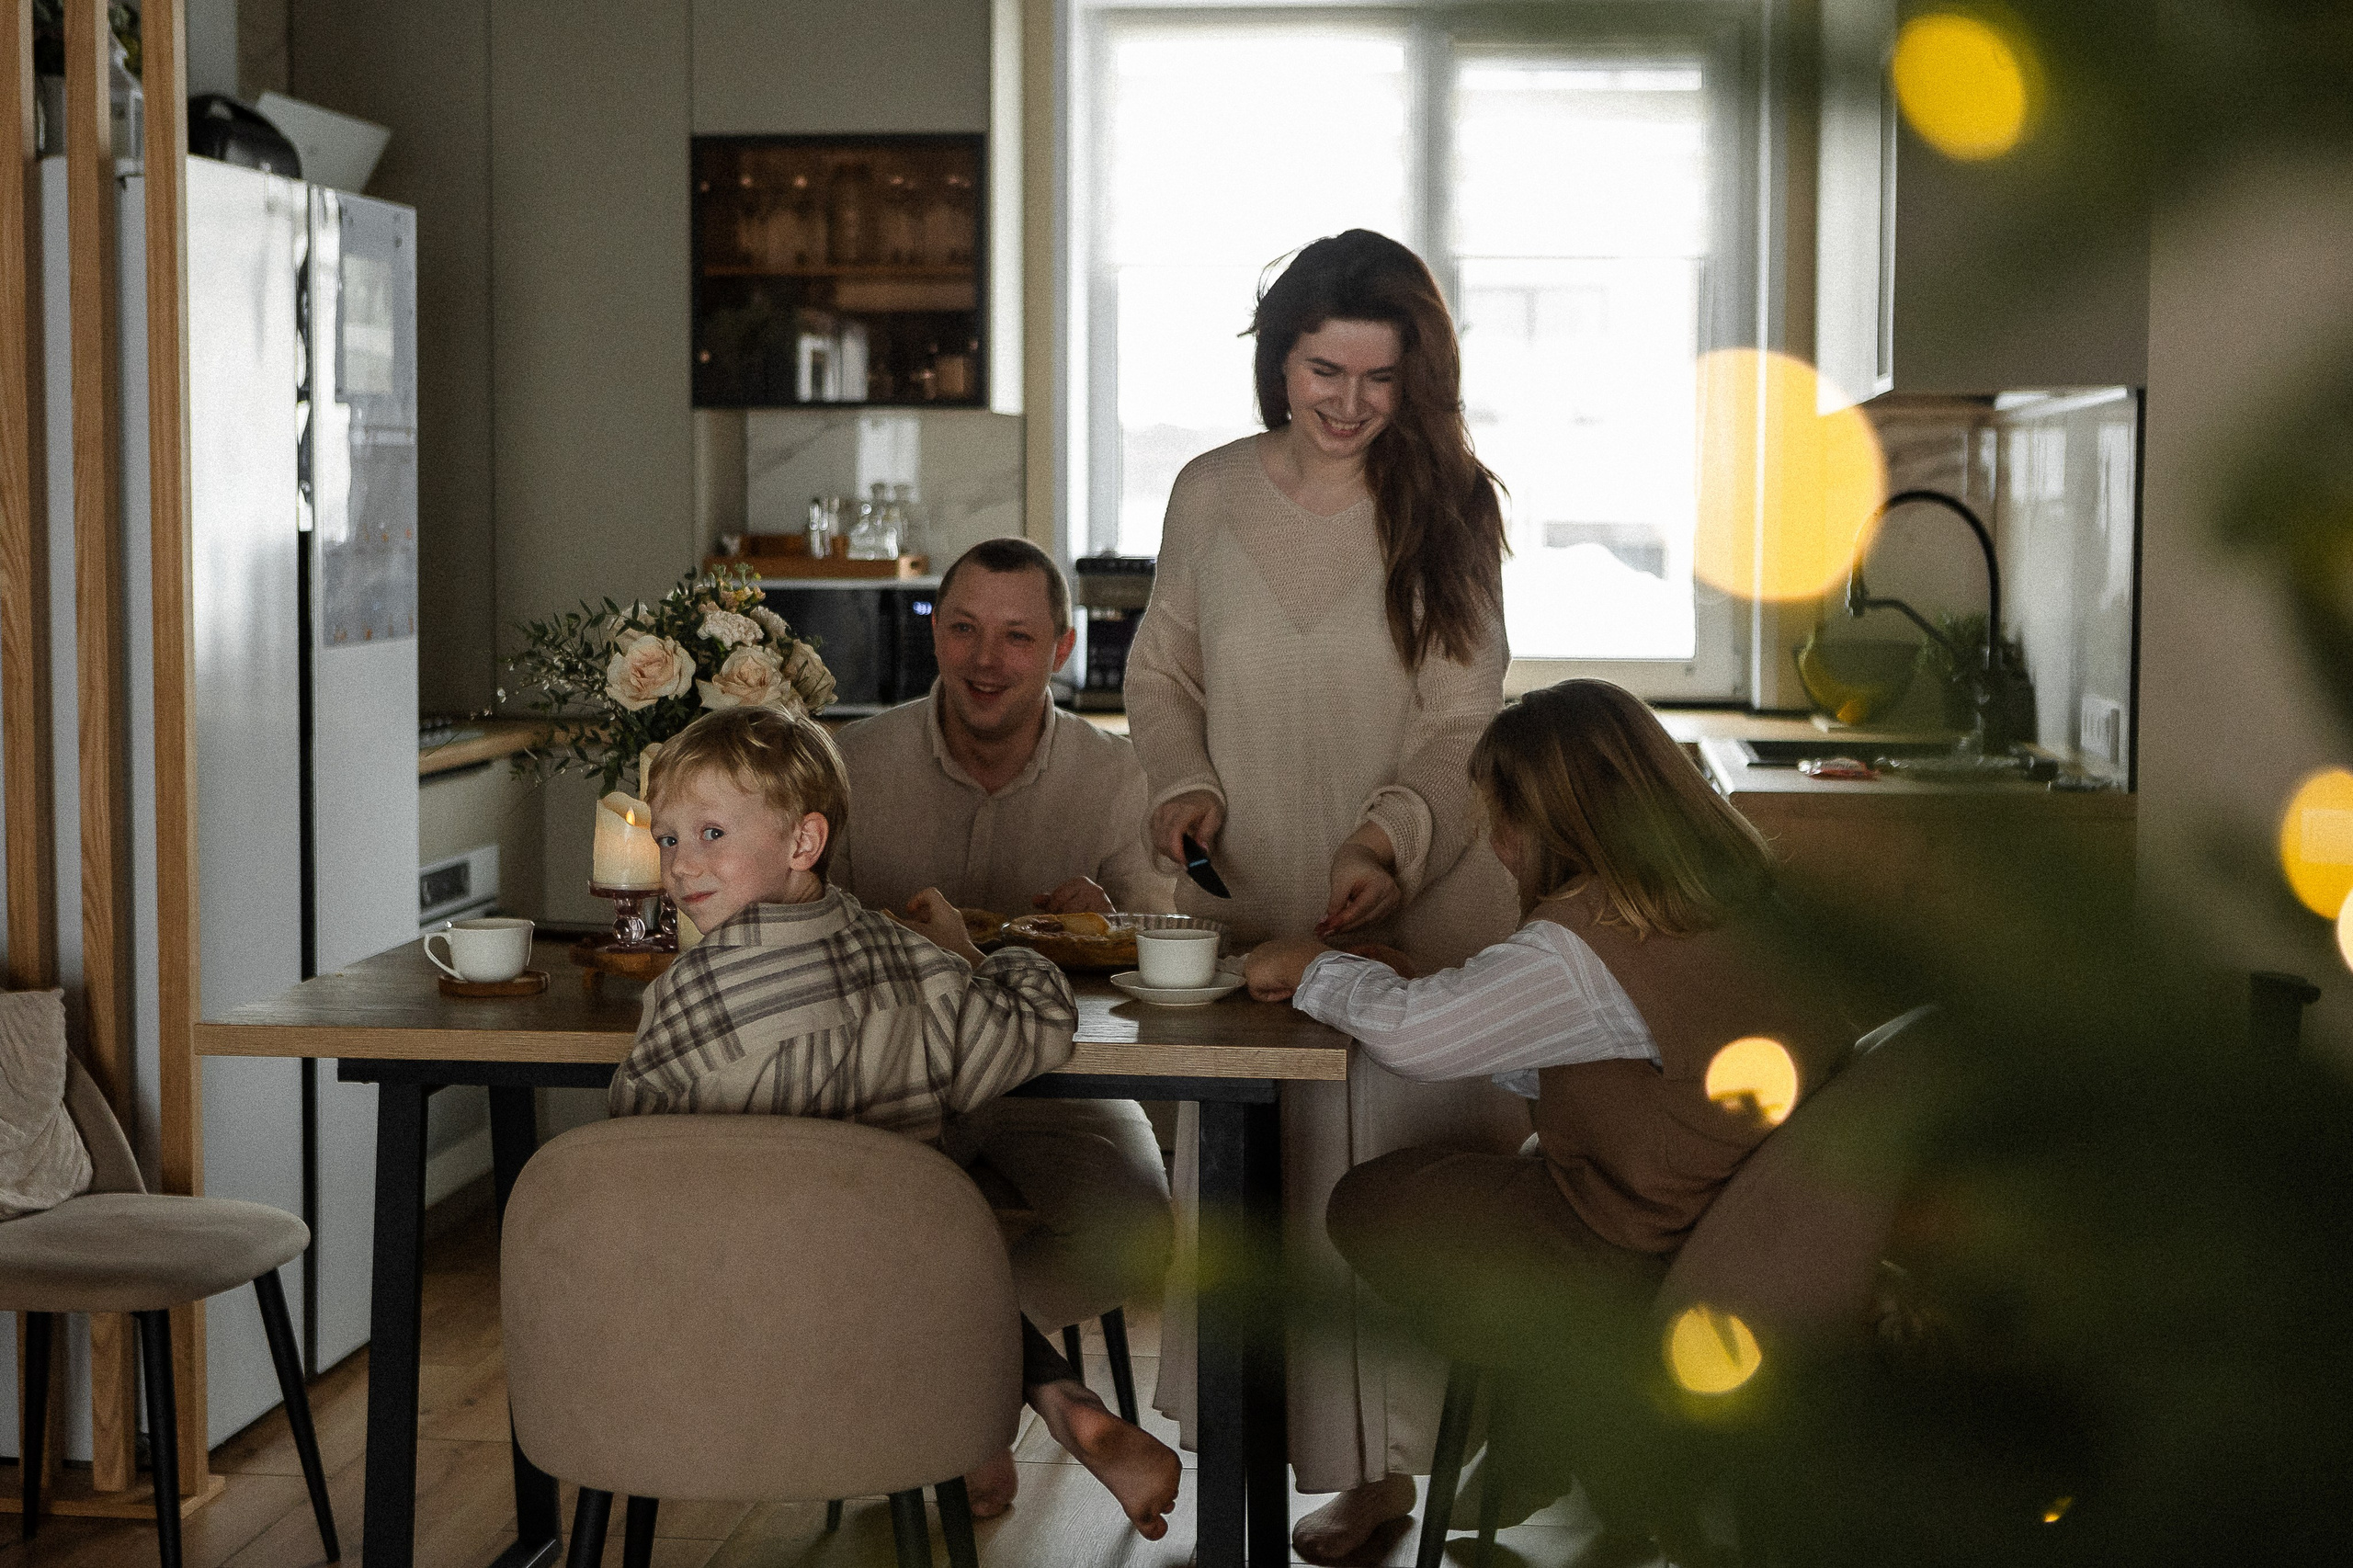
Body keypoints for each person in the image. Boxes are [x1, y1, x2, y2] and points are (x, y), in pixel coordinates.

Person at [1121, 228, 1529, 1561]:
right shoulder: (1209, 492)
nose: (1348, 401)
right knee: (1260, 1186)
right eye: (1321, 369)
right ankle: (1256, 1453)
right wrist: (1180, 781)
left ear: (1420, 381)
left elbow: (1465, 721)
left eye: (1378, 378)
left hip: (1411, 902)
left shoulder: (1453, 506)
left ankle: (1392, 1478)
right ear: (1276, 359)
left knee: (1379, 1187)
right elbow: (1161, 674)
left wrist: (1389, 840)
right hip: (1246, 909)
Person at [1247, 679, 1859, 1534]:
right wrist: (1442, 988)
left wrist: (1309, 966)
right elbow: (1617, 1041)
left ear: (1551, 820)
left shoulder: (1591, 934)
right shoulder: (1724, 896)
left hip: (1629, 1247)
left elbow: (1420, 1041)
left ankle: (1563, 1404)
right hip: (1724, 1223)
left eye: (1500, 819)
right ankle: (1545, 1424)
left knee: (1371, 1203)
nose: (1497, 845)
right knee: (1455, 1179)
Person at [606, 706, 1182, 1540]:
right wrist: (990, 958)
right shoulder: (908, 962)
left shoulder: (689, 995)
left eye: (709, 834)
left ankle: (1042, 1400)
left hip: (743, 1323)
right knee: (924, 1257)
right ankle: (1062, 1398)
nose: (681, 867)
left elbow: (635, 1143)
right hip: (902, 1308)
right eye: (667, 841)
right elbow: (1036, 1023)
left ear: (803, 843)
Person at [831, 537, 1176, 1367]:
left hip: (1051, 1084)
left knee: (1140, 1233)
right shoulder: (850, 763)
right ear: (935, 634)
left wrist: (1111, 917)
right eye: (963, 630)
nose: (986, 661)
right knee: (830, 1227)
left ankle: (957, 1377)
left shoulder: (1118, 774)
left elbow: (1165, 943)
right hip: (887, 1081)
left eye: (1018, 637)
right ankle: (955, 1405)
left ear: (1061, 649)